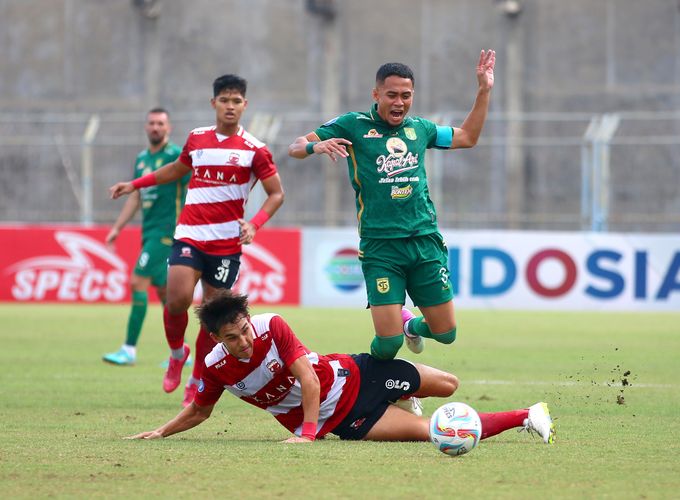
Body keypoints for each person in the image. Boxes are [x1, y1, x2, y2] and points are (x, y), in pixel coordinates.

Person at [125, 291, 556, 445]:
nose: (244, 340)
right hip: (347, 419)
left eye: (243, 329)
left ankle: (404, 361)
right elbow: (200, 410)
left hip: (354, 372)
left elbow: (309, 379)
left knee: (448, 385)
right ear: (217, 340)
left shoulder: (271, 325)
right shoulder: (216, 366)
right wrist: (163, 430)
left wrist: (307, 435)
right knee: (437, 433)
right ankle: (528, 415)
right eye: (232, 337)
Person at [288, 50, 496, 362]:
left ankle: (411, 325)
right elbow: (294, 147)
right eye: (392, 95)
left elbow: (467, 137)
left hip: (424, 241)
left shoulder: (420, 129)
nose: (399, 102)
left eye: (406, 95)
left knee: (446, 333)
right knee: (387, 345)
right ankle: (371, 392)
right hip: (381, 246)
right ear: (376, 94)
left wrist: (484, 90)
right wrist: (314, 145)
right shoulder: (352, 125)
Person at [109, 74, 285, 407]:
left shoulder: (255, 150)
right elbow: (176, 169)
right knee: (176, 299)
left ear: (244, 105)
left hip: (226, 246)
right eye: (224, 100)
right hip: (190, 234)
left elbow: (277, 194)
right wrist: (137, 183)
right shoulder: (197, 139)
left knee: (212, 316)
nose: (230, 106)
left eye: (236, 101)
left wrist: (255, 224)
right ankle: (177, 354)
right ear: (214, 103)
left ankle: (197, 377)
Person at [102, 108, 190, 366]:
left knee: (137, 282)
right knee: (166, 295)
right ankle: (181, 352)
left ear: (168, 128)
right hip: (148, 231)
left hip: (167, 232)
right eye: (151, 123)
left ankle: (128, 349)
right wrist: (118, 227)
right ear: (145, 127)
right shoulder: (142, 159)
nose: (155, 127)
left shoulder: (176, 156)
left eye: (160, 123)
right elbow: (136, 195)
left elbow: (193, 187)